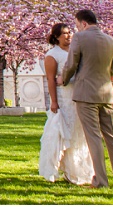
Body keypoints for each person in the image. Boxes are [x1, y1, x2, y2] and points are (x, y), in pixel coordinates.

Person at [61, 9, 113, 188]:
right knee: (112, 136)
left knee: (93, 137)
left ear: (83, 23)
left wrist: (64, 79)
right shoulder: (110, 40)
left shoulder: (80, 38)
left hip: (86, 93)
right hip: (106, 94)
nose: (76, 29)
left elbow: (71, 63)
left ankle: (101, 180)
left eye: (77, 25)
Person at [38, 22, 95, 185]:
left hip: (80, 95)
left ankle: (79, 169)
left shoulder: (76, 52)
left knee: (80, 131)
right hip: (64, 98)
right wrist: (54, 102)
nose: (68, 35)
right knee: (65, 131)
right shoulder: (52, 55)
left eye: (70, 32)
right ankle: (63, 168)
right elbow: (50, 79)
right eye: (64, 33)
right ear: (56, 37)